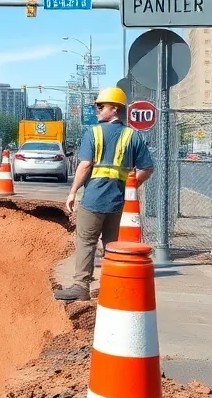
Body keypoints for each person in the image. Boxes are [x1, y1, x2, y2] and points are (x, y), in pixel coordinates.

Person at [54, 87, 155, 302]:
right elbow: (147, 168)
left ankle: (81, 286)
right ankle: (111, 285)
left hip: (93, 199)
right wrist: (131, 188)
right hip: (119, 202)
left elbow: (85, 165)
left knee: (86, 241)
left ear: (115, 109)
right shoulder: (132, 135)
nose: (97, 110)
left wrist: (72, 192)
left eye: (101, 106)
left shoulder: (94, 133)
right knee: (112, 245)